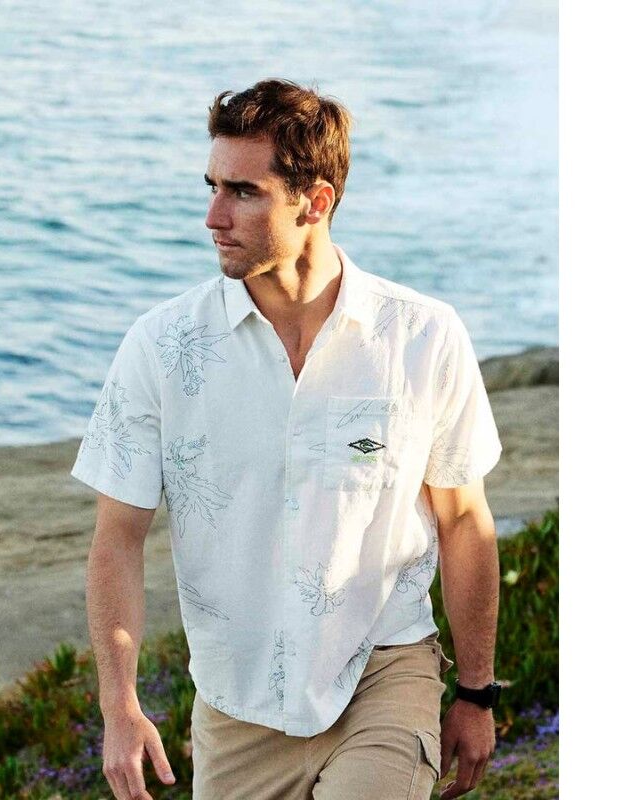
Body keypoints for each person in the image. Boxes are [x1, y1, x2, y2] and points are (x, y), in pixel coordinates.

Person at [71, 78, 503, 800]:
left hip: (384, 673)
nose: (213, 216)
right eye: (212, 186)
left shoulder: (421, 337)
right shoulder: (162, 347)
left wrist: (476, 691)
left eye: (243, 192)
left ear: (316, 202)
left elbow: (463, 521)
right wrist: (119, 706)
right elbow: (117, 537)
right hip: (236, 709)